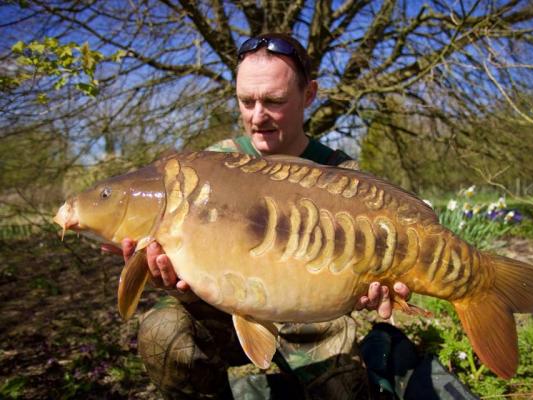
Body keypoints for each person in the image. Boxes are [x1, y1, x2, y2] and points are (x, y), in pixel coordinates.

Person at [104, 33, 412, 399]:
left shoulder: (344, 176)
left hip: (313, 321)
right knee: (164, 336)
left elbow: (370, 278)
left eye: (274, 101)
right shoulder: (213, 164)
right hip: (226, 313)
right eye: (246, 101)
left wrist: (374, 288)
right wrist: (168, 279)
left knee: (345, 393)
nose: (257, 116)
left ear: (309, 95)